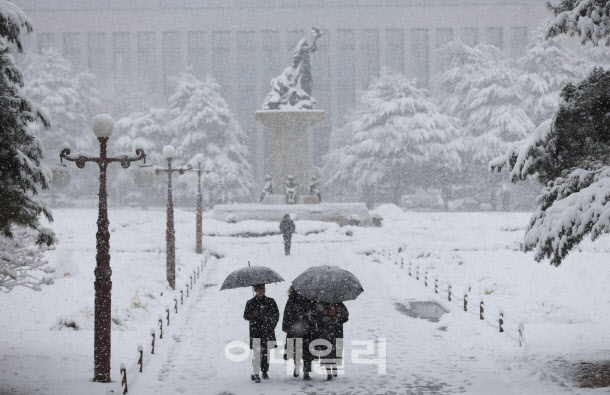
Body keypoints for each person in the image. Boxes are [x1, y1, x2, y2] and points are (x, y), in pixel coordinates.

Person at [243, 284, 279, 383]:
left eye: (263, 288)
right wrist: (252, 315)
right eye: (259, 289)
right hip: (255, 331)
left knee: (266, 353)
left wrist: (271, 325)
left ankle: (264, 371)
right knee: (257, 352)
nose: (262, 291)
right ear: (255, 290)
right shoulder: (250, 303)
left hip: (267, 331)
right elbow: (245, 316)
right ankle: (256, 373)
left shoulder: (270, 301)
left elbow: (276, 315)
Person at [282, 286, 316, 380]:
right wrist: (286, 326)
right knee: (296, 351)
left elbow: (314, 313)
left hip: (306, 329)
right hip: (295, 329)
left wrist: (310, 318)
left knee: (307, 352)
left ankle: (306, 372)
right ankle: (297, 367)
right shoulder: (292, 300)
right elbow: (287, 313)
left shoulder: (309, 299)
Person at [313, 301, 349, 380]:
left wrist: (336, 315)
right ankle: (328, 373)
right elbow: (315, 318)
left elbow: (346, 317)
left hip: (337, 333)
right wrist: (323, 315)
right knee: (326, 353)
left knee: (336, 352)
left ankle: (335, 366)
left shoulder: (339, 304)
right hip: (324, 333)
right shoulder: (320, 305)